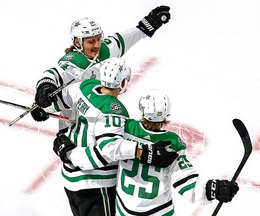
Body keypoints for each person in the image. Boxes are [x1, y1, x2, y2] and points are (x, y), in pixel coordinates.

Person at [50, 57, 179, 216]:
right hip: (96, 184)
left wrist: (45, 103)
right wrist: (144, 151)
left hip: (70, 180)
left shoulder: (85, 87)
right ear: (123, 83)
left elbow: (61, 98)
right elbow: (109, 149)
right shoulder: (114, 110)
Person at [30, 5, 171, 134]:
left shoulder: (105, 49)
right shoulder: (71, 64)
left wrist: (147, 24)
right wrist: (44, 92)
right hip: (75, 128)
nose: (97, 45)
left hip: (103, 118)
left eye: (98, 39)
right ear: (78, 42)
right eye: (91, 41)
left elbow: (126, 38)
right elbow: (52, 75)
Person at [114, 89, 239, 215]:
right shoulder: (172, 142)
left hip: (123, 211)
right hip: (159, 211)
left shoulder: (126, 129)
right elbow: (185, 180)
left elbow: (108, 148)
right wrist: (213, 189)